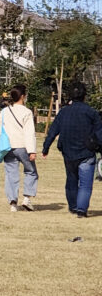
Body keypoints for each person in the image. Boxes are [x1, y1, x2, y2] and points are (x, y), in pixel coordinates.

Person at [42, 81, 102, 217]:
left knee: (71, 180)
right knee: (85, 184)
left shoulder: (63, 112)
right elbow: (100, 132)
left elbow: (53, 131)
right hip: (87, 152)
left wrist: (46, 148)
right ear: (84, 95)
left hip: (68, 152)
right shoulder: (91, 113)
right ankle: (81, 209)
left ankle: (73, 206)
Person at [0, 84, 39, 212]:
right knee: (31, 171)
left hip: (8, 147)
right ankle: (27, 198)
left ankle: (13, 202)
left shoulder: (5, 111)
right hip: (22, 146)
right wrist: (32, 150)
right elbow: (29, 132)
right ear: (23, 96)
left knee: (11, 174)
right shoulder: (27, 112)